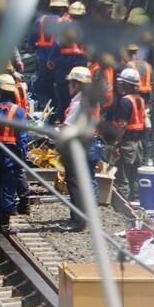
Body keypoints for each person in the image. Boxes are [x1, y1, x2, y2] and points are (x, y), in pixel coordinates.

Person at [58, 66, 100, 231]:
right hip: (89, 143)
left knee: (75, 182)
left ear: (77, 84)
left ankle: (78, 220)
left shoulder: (79, 103)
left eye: (70, 83)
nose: (68, 86)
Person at [0, 74, 28, 235]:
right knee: (8, 188)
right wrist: (23, 159)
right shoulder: (17, 111)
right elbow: (22, 138)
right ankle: (4, 223)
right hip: (11, 153)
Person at [110, 68, 147, 202]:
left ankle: (124, 205)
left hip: (127, 144)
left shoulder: (125, 101)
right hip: (138, 143)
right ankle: (136, 203)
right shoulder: (140, 100)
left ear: (127, 84)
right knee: (135, 176)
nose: (120, 84)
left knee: (123, 176)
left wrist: (116, 144)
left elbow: (122, 125)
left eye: (122, 82)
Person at [49, 2, 88, 121]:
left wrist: (51, 58)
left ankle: (63, 121)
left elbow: (57, 44)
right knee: (80, 96)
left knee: (63, 97)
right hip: (80, 65)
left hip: (64, 66)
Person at [28, 0, 68, 109]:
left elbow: (31, 41)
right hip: (60, 63)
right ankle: (59, 113)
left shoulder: (40, 21)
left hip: (43, 61)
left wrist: (40, 48)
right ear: (62, 9)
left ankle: (45, 110)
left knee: (43, 88)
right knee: (61, 89)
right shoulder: (65, 23)